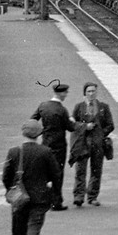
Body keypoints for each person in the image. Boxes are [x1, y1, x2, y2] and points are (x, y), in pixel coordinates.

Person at [2, 121, 59, 235]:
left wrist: (10, 190)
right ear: (39, 134)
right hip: (40, 198)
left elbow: (6, 176)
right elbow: (55, 175)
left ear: (23, 133)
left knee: (19, 230)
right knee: (34, 229)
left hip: (19, 198)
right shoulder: (45, 151)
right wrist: (55, 193)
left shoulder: (14, 152)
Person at [69, 81, 114, 207]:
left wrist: (100, 133)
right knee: (80, 170)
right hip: (82, 143)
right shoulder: (79, 107)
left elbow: (110, 125)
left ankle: (92, 196)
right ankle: (78, 196)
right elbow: (73, 125)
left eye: (93, 91)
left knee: (96, 170)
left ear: (96, 92)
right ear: (85, 93)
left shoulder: (103, 107)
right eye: (89, 91)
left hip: (98, 144)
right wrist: (85, 127)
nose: (91, 93)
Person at [30, 82, 74, 210]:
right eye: (65, 93)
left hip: (45, 144)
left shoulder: (43, 106)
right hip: (59, 146)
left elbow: (33, 120)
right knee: (57, 174)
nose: (66, 95)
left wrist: (42, 131)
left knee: (45, 173)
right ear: (60, 93)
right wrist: (74, 122)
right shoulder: (62, 110)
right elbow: (70, 128)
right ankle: (56, 202)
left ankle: (43, 200)